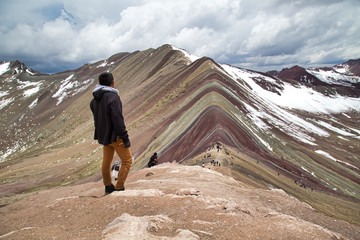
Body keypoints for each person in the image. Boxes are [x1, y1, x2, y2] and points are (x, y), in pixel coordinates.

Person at [90, 72, 132, 194]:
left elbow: (97, 118)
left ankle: (108, 186)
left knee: (106, 162)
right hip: (116, 136)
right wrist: (125, 137)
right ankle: (119, 187)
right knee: (127, 160)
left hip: (104, 137)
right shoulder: (113, 97)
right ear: (112, 83)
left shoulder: (94, 100)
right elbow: (117, 118)